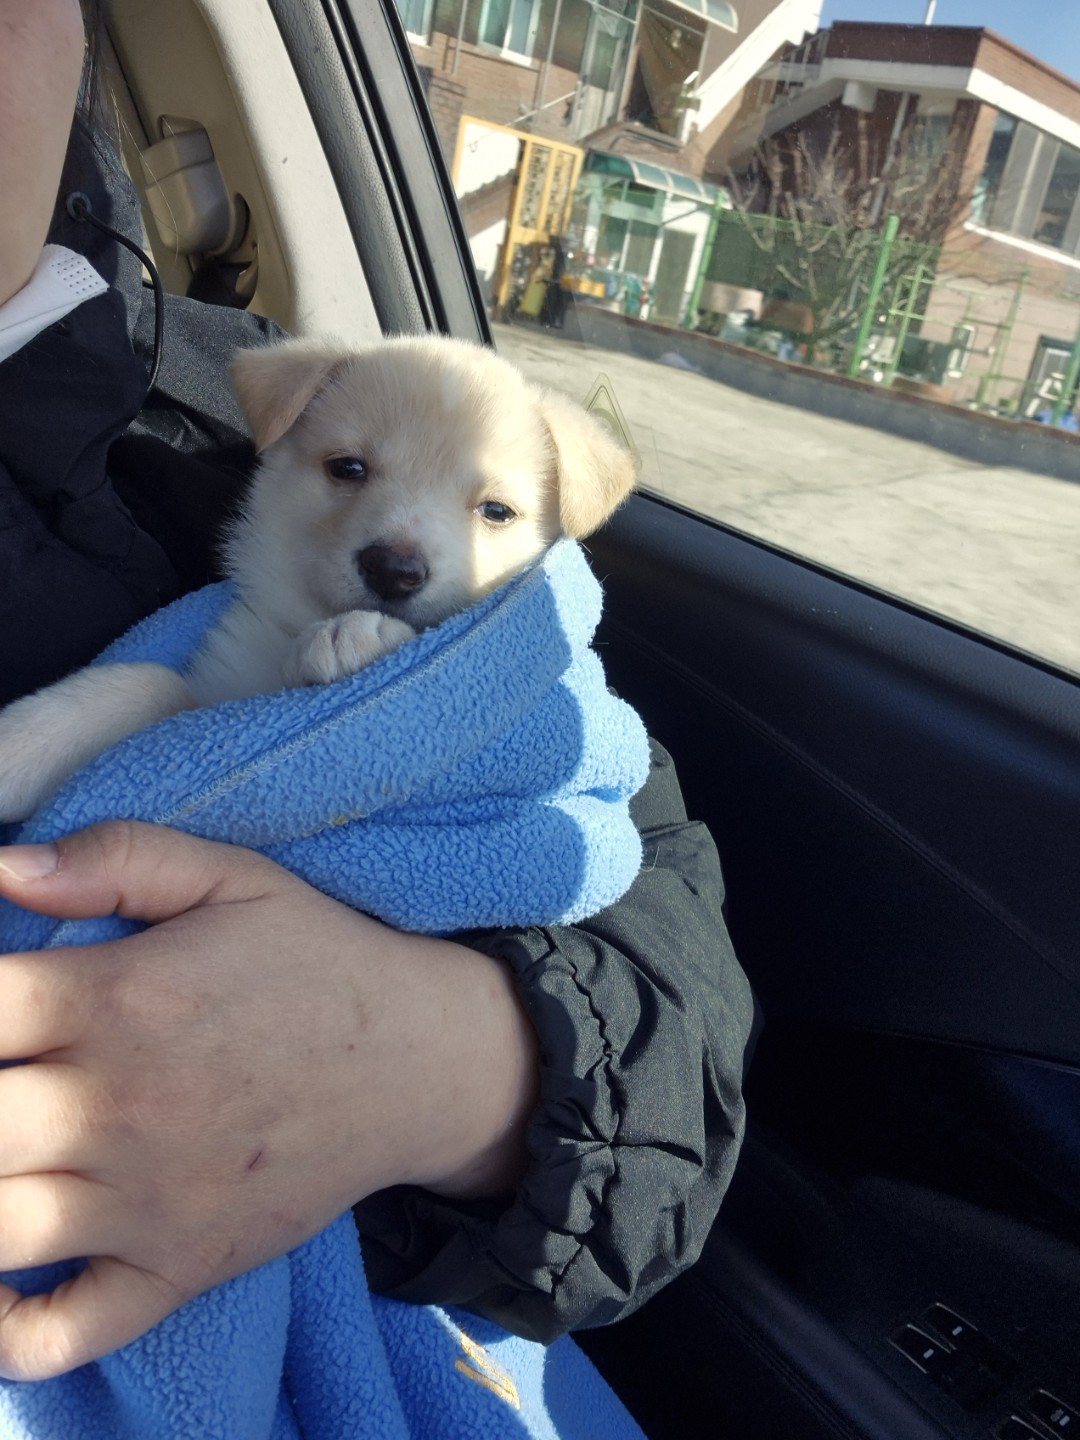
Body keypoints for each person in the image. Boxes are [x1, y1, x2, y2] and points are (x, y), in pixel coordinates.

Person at [0, 0, 754, 1391]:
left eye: (490, 510)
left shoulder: (200, 398)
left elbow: (656, 965)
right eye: (350, 472)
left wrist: (442, 1065)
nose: (404, 543)